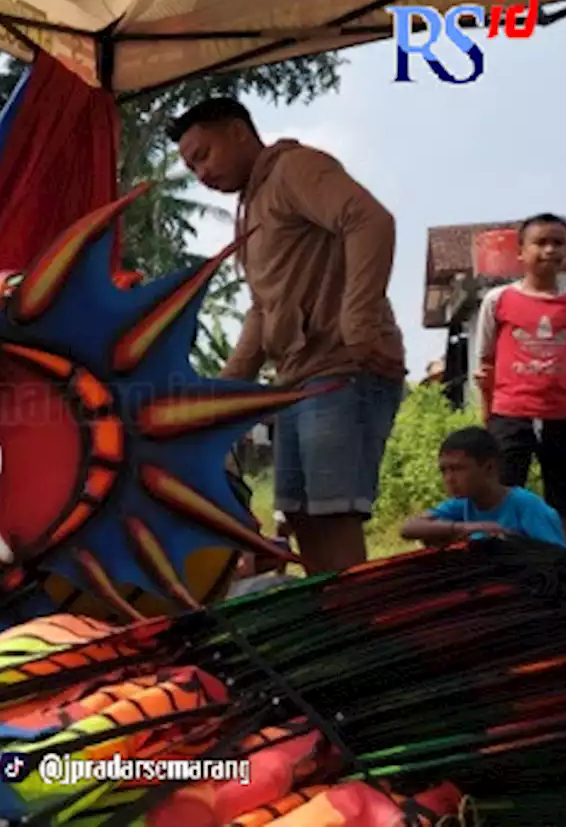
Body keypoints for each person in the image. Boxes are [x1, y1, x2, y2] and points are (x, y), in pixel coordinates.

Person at [169, 96, 407, 576]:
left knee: (333, 515)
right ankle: (334, 628)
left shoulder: (295, 168)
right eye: (191, 167)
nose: (200, 174)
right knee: (300, 519)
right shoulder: (252, 207)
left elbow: (370, 220)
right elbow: (264, 309)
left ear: (239, 132)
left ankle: (357, 634)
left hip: (343, 370)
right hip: (297, 381)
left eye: (203, 155)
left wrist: (358, 323)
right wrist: (224, 391)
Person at [472, 213, 566, 546]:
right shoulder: (498, 301)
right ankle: (502, 572)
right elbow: (485, 362)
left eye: (558, 243)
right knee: (501, 495)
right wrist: (487, 413)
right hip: (510, 413)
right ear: (520, 252)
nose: (549, 250)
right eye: (540, 242)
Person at [400, 427, 566, 548]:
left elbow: (557, 562)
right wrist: (467, 528)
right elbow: (408, 528)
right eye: (444, 470)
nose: (449, 479)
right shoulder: (463, 504)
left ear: (489, 468)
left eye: (458, 469)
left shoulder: (527, 506)